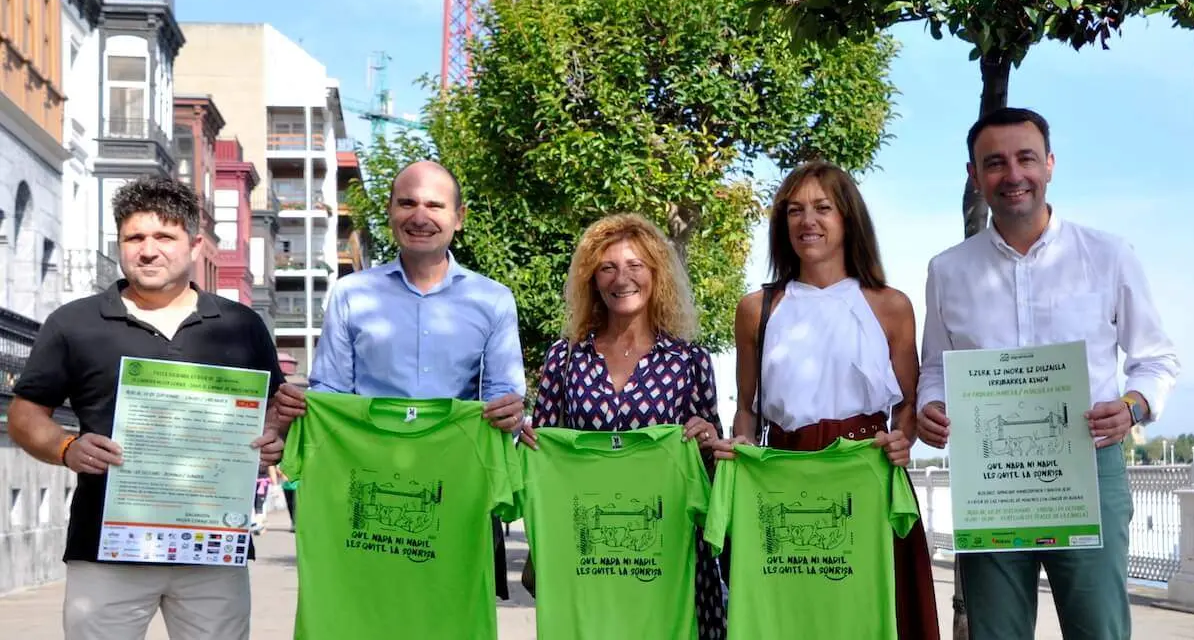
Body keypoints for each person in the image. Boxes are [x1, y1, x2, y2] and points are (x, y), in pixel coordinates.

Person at [915, 107, 1179, 640]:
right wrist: (930, 410)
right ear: (974, 175)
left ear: (1051, 164)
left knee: (1098, 629)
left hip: (1089, 466)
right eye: (994, 163)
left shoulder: (1108, 255)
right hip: (990, 482)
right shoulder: (948, 270)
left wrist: (1132, 408)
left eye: (1026, 158)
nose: (1013, 175)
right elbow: (935, 369)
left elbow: (1157, 360)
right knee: (996, 633)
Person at [6, 176, 286, 640]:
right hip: (107, 547)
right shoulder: (74, 323)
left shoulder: (240, 326)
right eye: (134, 237)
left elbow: (271, 410)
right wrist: (66, 446)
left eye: (164, 237)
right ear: (119, 244)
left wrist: (272, 438)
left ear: (195, 244)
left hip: (212, 546)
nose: (148, 250)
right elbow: (24, 413)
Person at [271, 160, 530, 598]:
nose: (420, 216)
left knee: (450, 615)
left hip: (458, 492)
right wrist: (303, 410)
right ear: (390, 212)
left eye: (435, 205)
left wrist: (509, 409)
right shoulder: (352, 294)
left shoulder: (493, 300)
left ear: (458, 218)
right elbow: (331, 393)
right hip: (367, 490)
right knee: (370, 612)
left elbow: (502, 393)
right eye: (407, 203)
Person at [712, 161, 940, 639]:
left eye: (822, 208)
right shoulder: (757, 308)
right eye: (794, 211)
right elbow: (748, 407)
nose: (806, 221)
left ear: (848, 218)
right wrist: (741, 446)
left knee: (877, 612)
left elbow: (908, 402)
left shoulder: (890, 305)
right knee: (791, 616)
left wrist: (902, 441)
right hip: (781, 472)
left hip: (866, 473)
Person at [528, 213, 726, 638]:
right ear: (592, 279)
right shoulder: (564, 359)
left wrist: (709, 442)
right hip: (588, 559)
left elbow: (713, 471)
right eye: (608, 267)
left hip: (669, 555)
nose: (622, 278)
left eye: (635, 265)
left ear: (656, 274)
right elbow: (538, 457)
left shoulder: (689, 361)